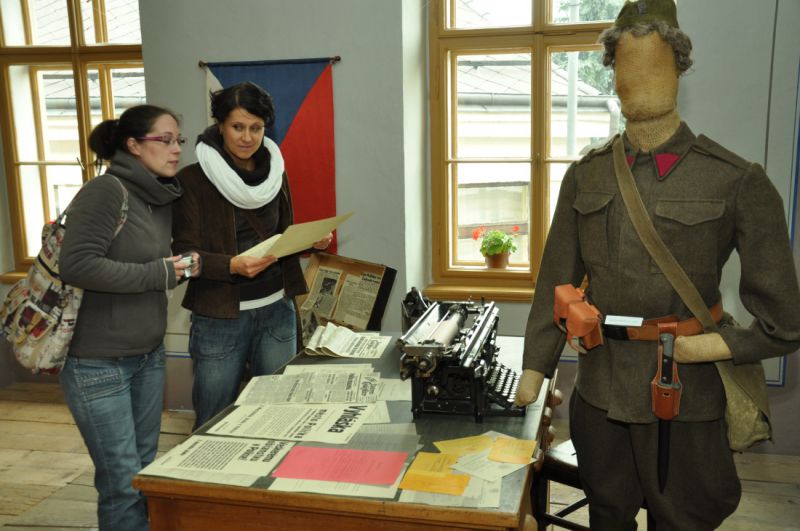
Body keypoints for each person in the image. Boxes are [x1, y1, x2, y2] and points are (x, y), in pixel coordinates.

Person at [514, 1, 800, 529]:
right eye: (627, 63)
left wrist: (709, 346)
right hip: (600, 388)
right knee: (608, 513)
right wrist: (535, 367)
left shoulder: (735, 180)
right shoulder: (586, 176)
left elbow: (785, 321)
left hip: (684, 392)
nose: (638, 79)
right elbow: (555, 282)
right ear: (613, 74)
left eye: (653, 62)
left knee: (682, 518)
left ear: (678, 68)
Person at [59, 105, 195, 531]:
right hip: (97, 364)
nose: (176, 149)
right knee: (121, 482)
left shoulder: (159, 197)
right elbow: (77, 265)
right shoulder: (106, 191)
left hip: (148, 358)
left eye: (178, 140)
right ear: (133, 145)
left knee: (142, 472)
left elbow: (152, 263)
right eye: (165, 140)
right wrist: (158, 273)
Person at [173, 82, 331, 429]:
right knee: (213, 420)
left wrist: (310, 242)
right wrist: (230, 265)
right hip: (219, 318)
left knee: (276, 415)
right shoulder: (192, 180)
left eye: (256, 128)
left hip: (277, 310)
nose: (247, 137)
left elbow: (281, 236)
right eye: (238, 127)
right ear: (220, 126)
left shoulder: (276, 172)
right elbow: (182, 258)